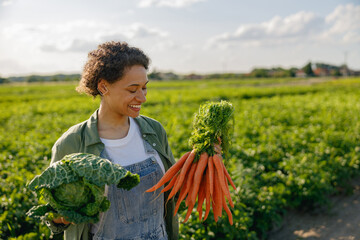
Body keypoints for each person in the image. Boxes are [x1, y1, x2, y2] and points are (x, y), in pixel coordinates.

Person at [46, 41, 179, 240]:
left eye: (144, 88)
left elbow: (174, 192)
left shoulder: (154, 131)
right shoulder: (73, 143)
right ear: (103, 87)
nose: (142, 98)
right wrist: (59, 217)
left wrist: (206, 162)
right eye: (133, 90)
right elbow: (53, 216)